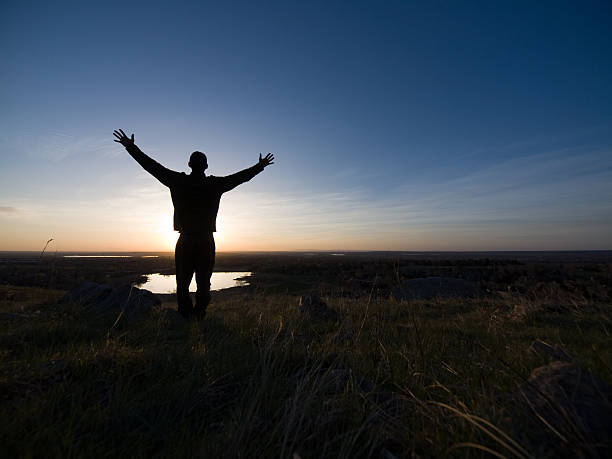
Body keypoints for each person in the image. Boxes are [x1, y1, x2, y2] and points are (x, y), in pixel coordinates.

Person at [113, 129, 274, 319]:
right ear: (206, 166)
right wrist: (260, 166)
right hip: (206, 240)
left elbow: (151, 166)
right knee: (204, 281)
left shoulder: (177, 181)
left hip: (185, 240)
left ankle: (185, 315)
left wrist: (131, 148)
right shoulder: (215, 184)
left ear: (189, 164)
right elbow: (240, 178)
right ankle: (199, 314)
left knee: (182, 282)